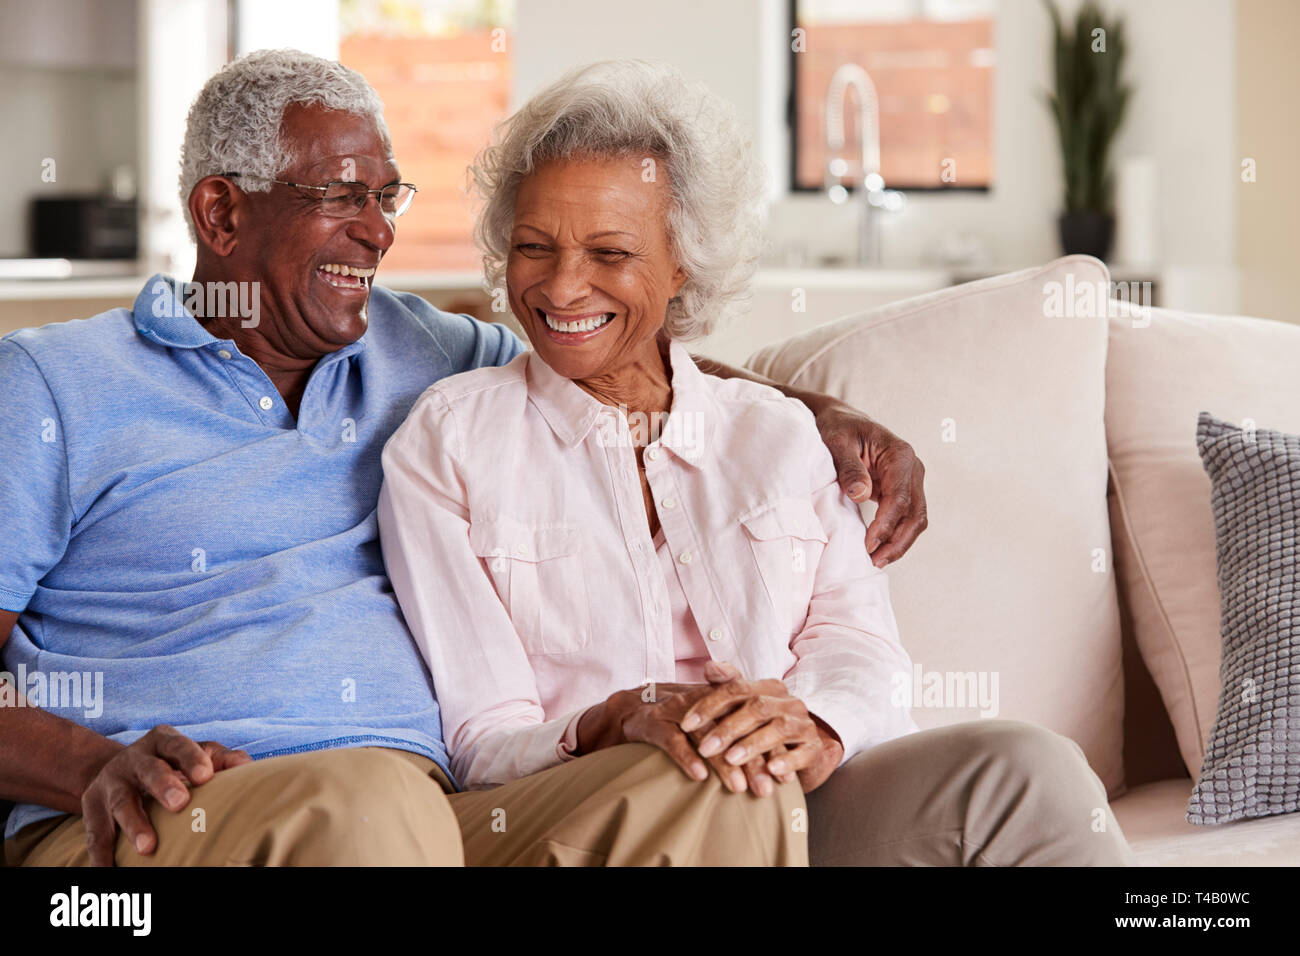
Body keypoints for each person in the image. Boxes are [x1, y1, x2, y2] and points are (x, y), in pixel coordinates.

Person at [0, 50, 926, 867]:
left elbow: (609, 346)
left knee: (713, 778)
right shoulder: (51, 386)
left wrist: (821, 414)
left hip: (439, 814)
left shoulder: (421, 349)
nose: (378, 231)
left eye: (385, 197)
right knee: (365, 803)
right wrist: (90, 763)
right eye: (341, 197)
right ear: (222, 211)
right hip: (160, 817)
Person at [378, 59, 1136, 866]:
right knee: (709, 770)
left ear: (682, 264)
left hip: (797, 802)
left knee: (1027, 769)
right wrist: (620, 719)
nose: (563, 287)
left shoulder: (776, 435)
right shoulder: (450, 442)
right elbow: (484, 740)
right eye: (534, 247)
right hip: (598, 814)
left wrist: (816, 726)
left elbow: (860, 648)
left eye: (608, 252)